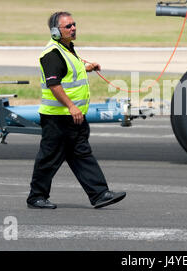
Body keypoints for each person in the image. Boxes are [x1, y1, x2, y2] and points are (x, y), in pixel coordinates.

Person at [27, 11, 126, 209]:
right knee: (49, 157)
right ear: (56, 31)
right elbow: (54, 85)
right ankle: (36, 196)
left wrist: (87, 68)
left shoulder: (67, 49)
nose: (73, 29)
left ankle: (99, 194)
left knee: (81, 154)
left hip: (73, 118)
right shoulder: (52, 54)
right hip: (58, 118)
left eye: (74, 24)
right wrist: (71, 106)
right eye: (68, 26)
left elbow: (68, 72)